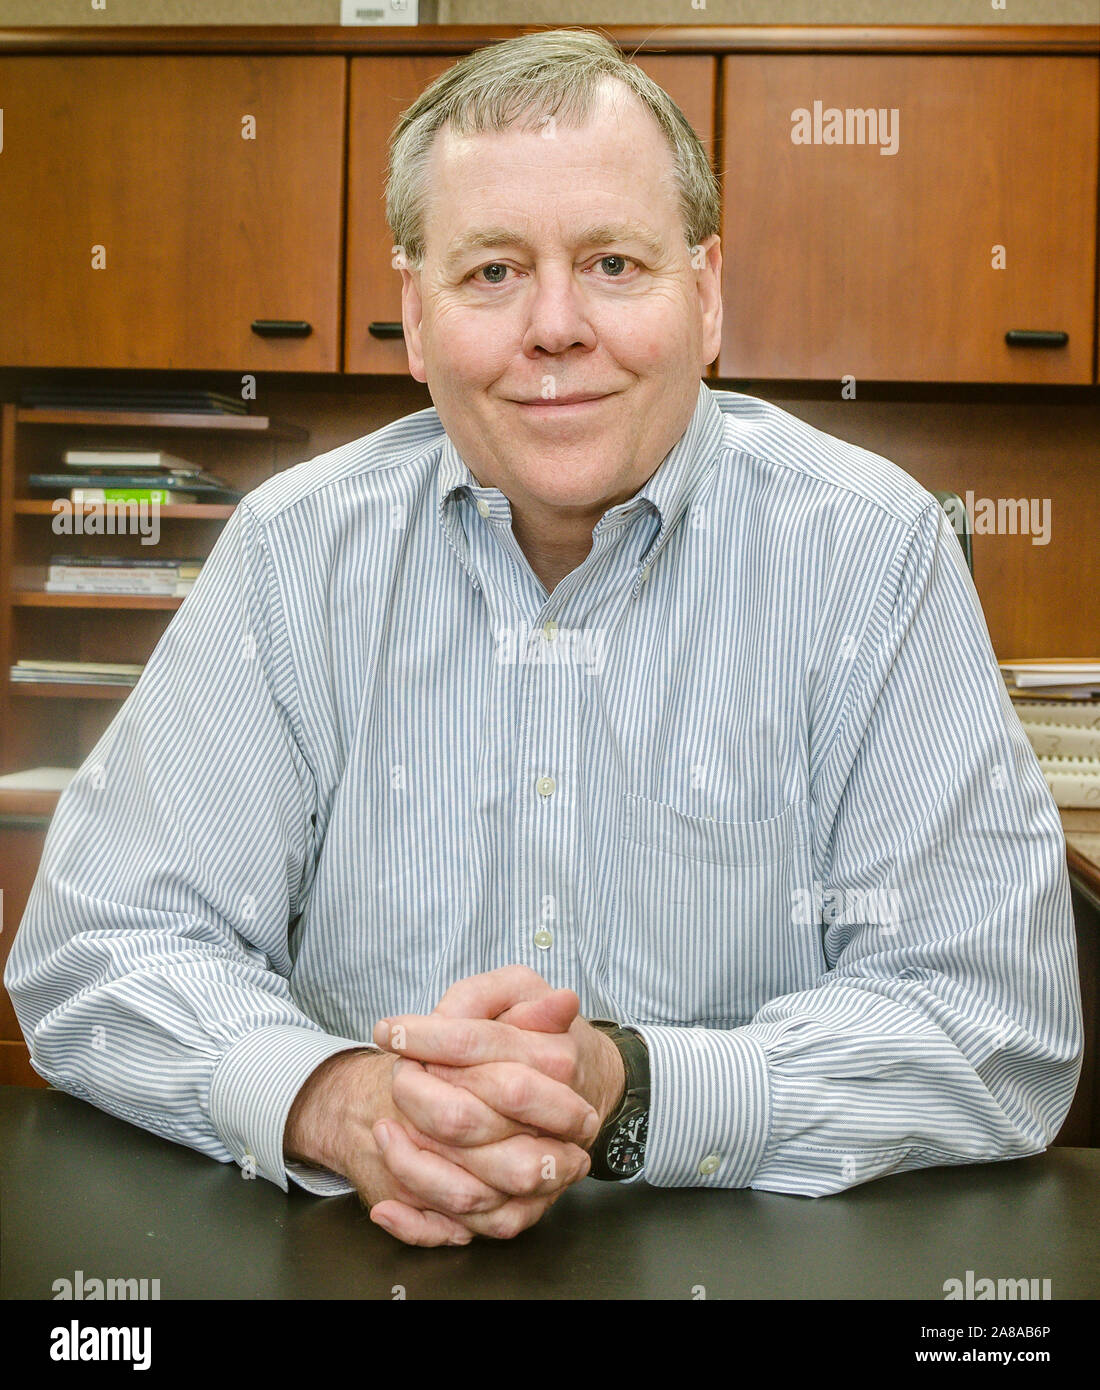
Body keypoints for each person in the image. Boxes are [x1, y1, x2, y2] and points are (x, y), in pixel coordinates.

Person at [6, 30, 1082, 1249]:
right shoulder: (290, 554)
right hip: (358, 1254)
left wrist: (622, 1092)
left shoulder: (871, 554)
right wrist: (340, 1101)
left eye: (613, 262)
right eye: (492, 273)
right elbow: (98, 946)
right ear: (414, 316)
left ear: (707, 290)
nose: (554, 326)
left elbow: (989, 1023)